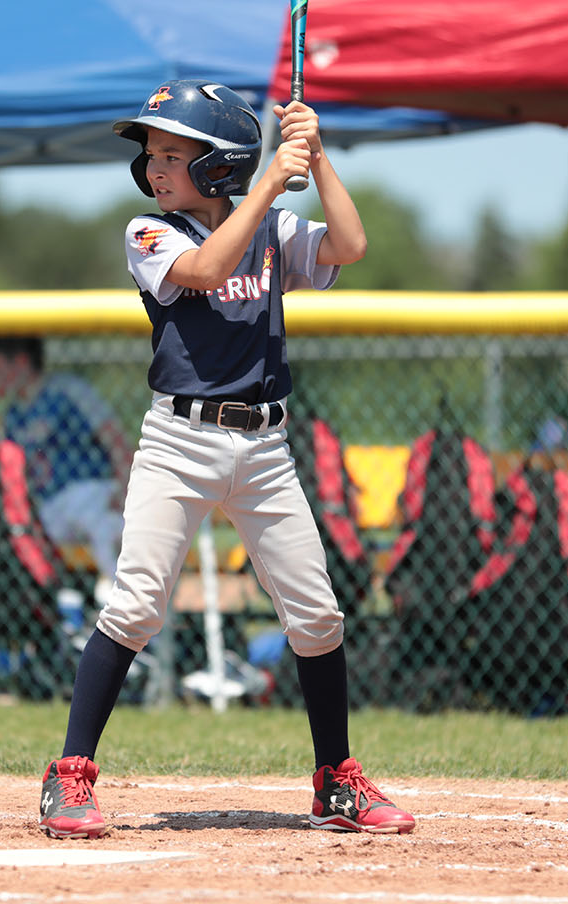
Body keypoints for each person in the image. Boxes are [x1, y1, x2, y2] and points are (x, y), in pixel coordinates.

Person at [36, 79, 415, 839]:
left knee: (317, 614)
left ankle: (335, 781)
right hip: (179, 441)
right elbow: (207, 270)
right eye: (153, 156)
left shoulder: (272, 225)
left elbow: (350, 245)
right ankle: (69, 776)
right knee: (137, 603)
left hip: (265, 446)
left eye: (174, 156)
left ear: (220, 165)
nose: (155, 169)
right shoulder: (149, 232)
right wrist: (273, 176)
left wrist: (316, 152)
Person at [0, 336, 133, 608]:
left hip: (91, 493)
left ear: (21, 361)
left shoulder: (67, 391)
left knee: (105, 526)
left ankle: (134, 614)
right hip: (47, 508)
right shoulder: (12, 415)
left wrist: (127, 490)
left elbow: (115, 440)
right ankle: (64, 615)